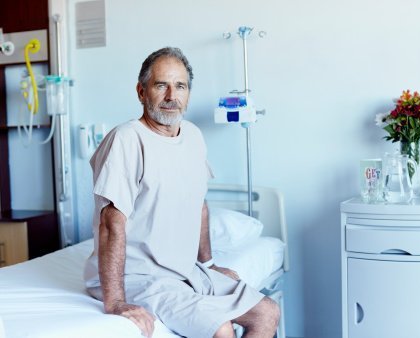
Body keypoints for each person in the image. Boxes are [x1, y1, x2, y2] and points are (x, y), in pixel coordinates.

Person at [84, 47, 280, 338]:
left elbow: (198, 205)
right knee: (220, 329)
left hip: (185, 271)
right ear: (141, 92)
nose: (171, 97)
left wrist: (209, 265)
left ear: (188, 94)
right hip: (140, 276)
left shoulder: (192, 136)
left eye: (180, 86)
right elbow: (112, 224)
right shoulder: (126, 139)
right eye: (161, 85)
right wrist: (116, 302)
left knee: (267, 313)